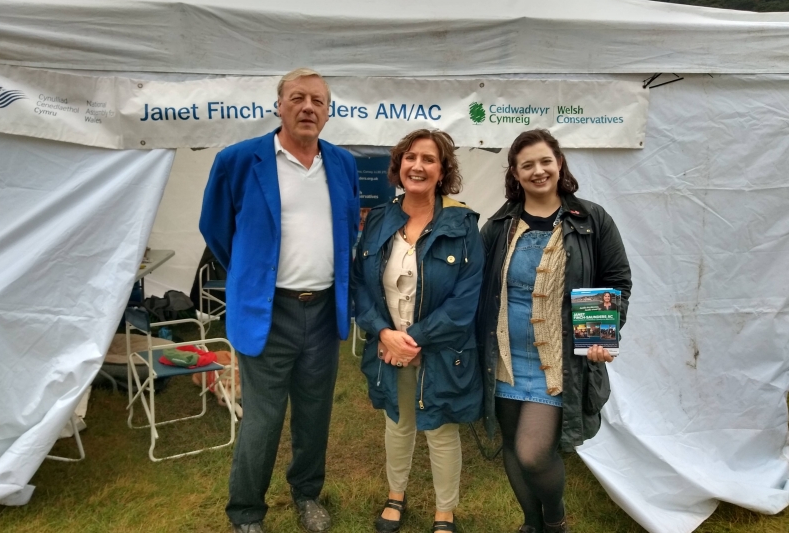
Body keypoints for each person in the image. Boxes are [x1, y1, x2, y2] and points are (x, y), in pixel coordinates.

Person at [199, 68, 360, 533]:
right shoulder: (238, 160)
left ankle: (307, 495)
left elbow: (347, 227)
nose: (308, 107)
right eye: (298, 98)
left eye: (318, 101)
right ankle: (246, 511)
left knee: (315, 414)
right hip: (270, 312)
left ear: (328, 114)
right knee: (263, 420)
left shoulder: (342, 163)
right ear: (279, 105)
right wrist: (253, 274)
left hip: (324, 308)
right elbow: (216, 229)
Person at [476, 129, 631, 533]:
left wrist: (599, 336)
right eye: (527, 164)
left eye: (545, 161)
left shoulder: (592, 220)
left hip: (555, 364)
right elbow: (479, 288)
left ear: (559, 163)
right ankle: (531, 525)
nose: (538, 170)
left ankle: (555, 521)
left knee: (532, 452)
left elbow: (617, 280)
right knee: (511, 446)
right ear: (515, 172)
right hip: (506, 360)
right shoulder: (499, 225)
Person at [351, 129, 484, 533]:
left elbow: (465, 299)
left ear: (442, 171)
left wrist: (417, 340)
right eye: (410, 157)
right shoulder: (378, 220)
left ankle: (445, 512)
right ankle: (396, 495)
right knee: (398, 421)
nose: (418, 166)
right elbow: (361, 284)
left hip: (439, 349)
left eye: (429, 159)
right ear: (399, 166)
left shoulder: (462, 225)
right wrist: (383, 333)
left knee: (440, 428)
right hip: (391, 346)